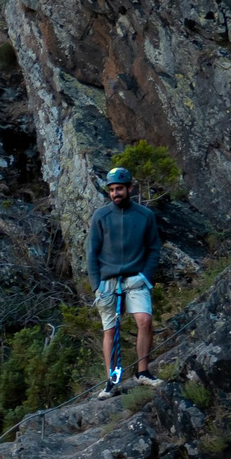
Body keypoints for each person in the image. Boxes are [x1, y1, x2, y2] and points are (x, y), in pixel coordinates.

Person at [86, 166, 164, 398]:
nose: (115, 193)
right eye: (111, 189)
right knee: (110, 330)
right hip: (107, 282)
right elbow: (92, 252)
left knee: (144, 320)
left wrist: (145, 276)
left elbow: (154, 248)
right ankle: (112, 381)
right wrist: (96, 285)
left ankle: (143, 372)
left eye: (119, 188)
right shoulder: (101, 216)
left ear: (130, 188)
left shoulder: (145, 216)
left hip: (136, 278)